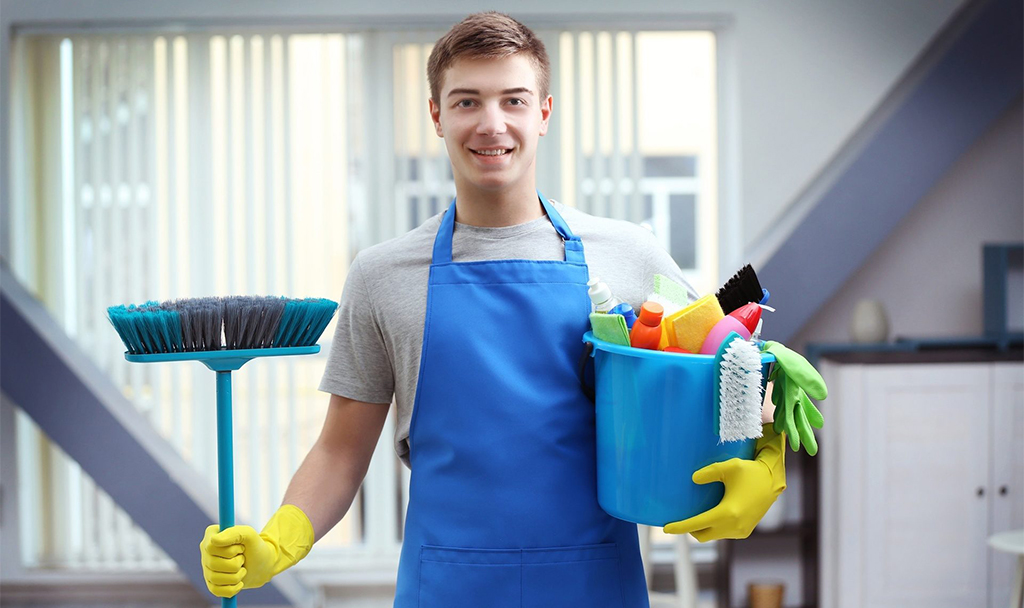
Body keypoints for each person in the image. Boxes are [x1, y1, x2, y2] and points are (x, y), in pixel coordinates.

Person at [199, 12, 786, 607]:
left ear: (544, 113)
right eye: (467, 101)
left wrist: (766, 460)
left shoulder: (629, 254)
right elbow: (340, 451)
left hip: (593, 585)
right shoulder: (382, 275)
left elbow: (727, 374)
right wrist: (278, 541)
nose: (492, 123)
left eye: (513, 100)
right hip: (447, 588)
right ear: (436, 115)